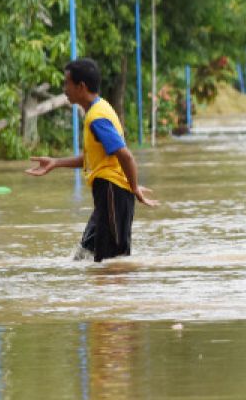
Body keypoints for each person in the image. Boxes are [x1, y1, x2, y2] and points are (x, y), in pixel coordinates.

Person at [25, 58, 159, 261]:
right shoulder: (98, 109)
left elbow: (126, 156)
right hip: (108, 193)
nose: (64, 89)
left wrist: (134, 188)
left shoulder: (97, 118)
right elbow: (94, 158)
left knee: (112, 263)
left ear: (81, 87)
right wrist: (56, 162)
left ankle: (112, 293)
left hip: (113, 192)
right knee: (84, 255)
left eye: (66, 83)